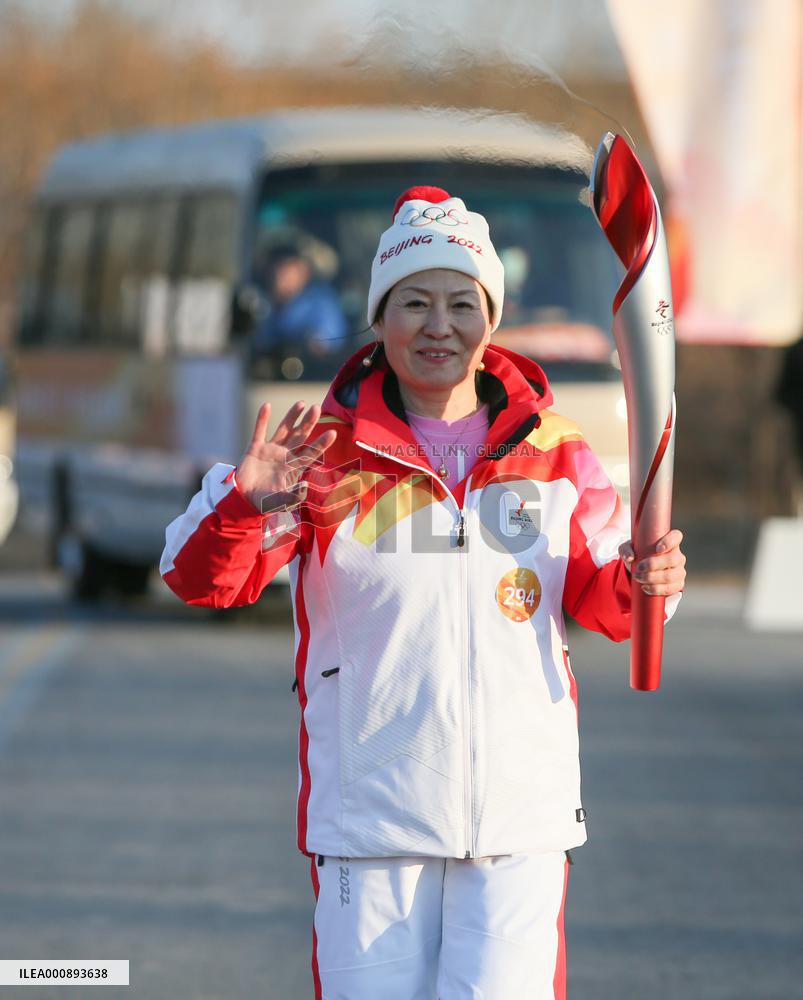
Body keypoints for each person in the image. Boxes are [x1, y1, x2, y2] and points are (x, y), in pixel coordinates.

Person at [160, 186, 686, 999]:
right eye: (413, 303)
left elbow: (603, 602)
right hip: (371, 822)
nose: (437, 326)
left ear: (490, 320)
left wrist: (646, 583)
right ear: (379, 317)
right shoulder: (322, 458)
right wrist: (244, 501)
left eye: (459, 303)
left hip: (519, 821)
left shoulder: (553, 450)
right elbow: (201, 583)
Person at [252, 243, 347, 359]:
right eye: (277, 270)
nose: (281, 277)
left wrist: (312, 343)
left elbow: (332, 337)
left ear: (304, 271)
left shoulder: (321, 300)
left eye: (288, 270)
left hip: (309, 373)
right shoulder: (257, 301)